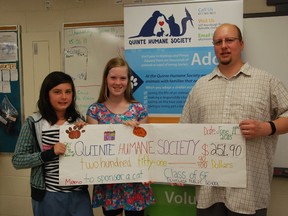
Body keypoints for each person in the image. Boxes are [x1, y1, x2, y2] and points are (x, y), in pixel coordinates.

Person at [180, 23, 288, 216]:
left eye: (229, 40)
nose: (224, 46)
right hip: (208, 192)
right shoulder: (200, 86)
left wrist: (266, 127)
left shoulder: (266, 81)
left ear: (241, 44)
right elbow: (185, 130)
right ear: (214, 47)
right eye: (218, 42)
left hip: (248, 194)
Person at [12, 71, 93, 216]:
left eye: (68, 92)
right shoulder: (34, 122)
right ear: (46, 94)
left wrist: (88, 137)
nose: (64, 97)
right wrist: (50, 153)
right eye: (57, 92)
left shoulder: (79, 120)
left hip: (79, 194)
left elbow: (89, 155)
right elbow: (17, 160)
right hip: (49, 196)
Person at [86, 57, 155, 216]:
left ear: (128, 81)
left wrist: (135, 132)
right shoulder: (94, 111)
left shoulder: (139, 110)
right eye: (113, 77)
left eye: (123, 78)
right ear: (106, 79)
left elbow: (144, 147)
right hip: (109, 181)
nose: (118, 82)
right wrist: (120, 131)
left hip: (135, 182)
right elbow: (95, 146)